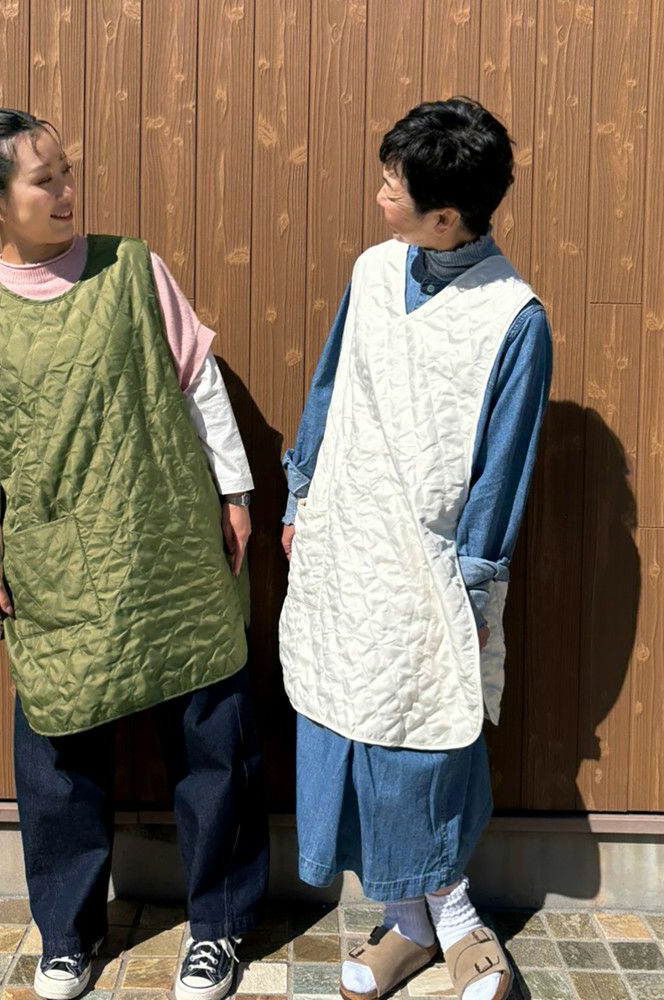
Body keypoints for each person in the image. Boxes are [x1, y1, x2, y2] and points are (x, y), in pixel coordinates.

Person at [0, 106, 269, 1000]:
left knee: (211, 735)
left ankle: (219, 926)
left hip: (170, 540)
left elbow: (197, 382)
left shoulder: (133, 266)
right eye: (45, 180)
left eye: (67, 172)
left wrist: (235, 493)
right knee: (59, 751)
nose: (66, 192)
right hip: (56, 563)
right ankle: (67, 935)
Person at [279, 98, 553, 1000]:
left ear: (446, 217)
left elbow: (503, 468)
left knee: (421, 738)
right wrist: (300, 494)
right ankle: (410, 921)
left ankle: (453, 915)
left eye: (394, 187)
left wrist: (473, 587)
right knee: (346, 721)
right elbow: (332, 384)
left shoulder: (513, 317)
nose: (379, 196)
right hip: (344, 539)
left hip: (430, 564)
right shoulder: (372, 269)